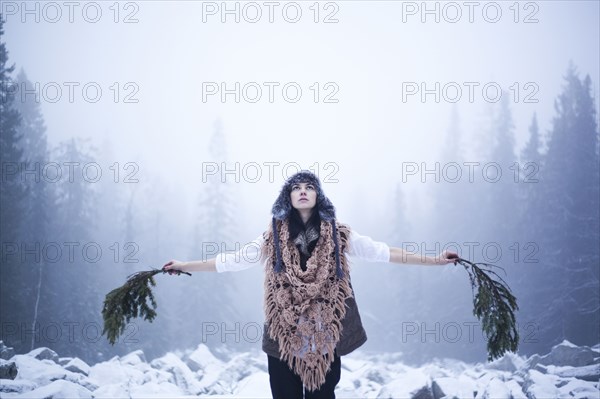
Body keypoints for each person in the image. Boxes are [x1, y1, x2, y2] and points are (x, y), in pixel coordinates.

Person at [163, 170, 458, 399]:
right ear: (287, 198)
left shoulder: (340, 235)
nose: (303, 192)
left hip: (325, 335)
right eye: (296, 188)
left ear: (318, 196)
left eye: (309, 187)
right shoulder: (271, 239)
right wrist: (184, 266)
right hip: (283, 336)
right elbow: (229, 261)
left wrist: (435, 260)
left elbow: (386, 252)